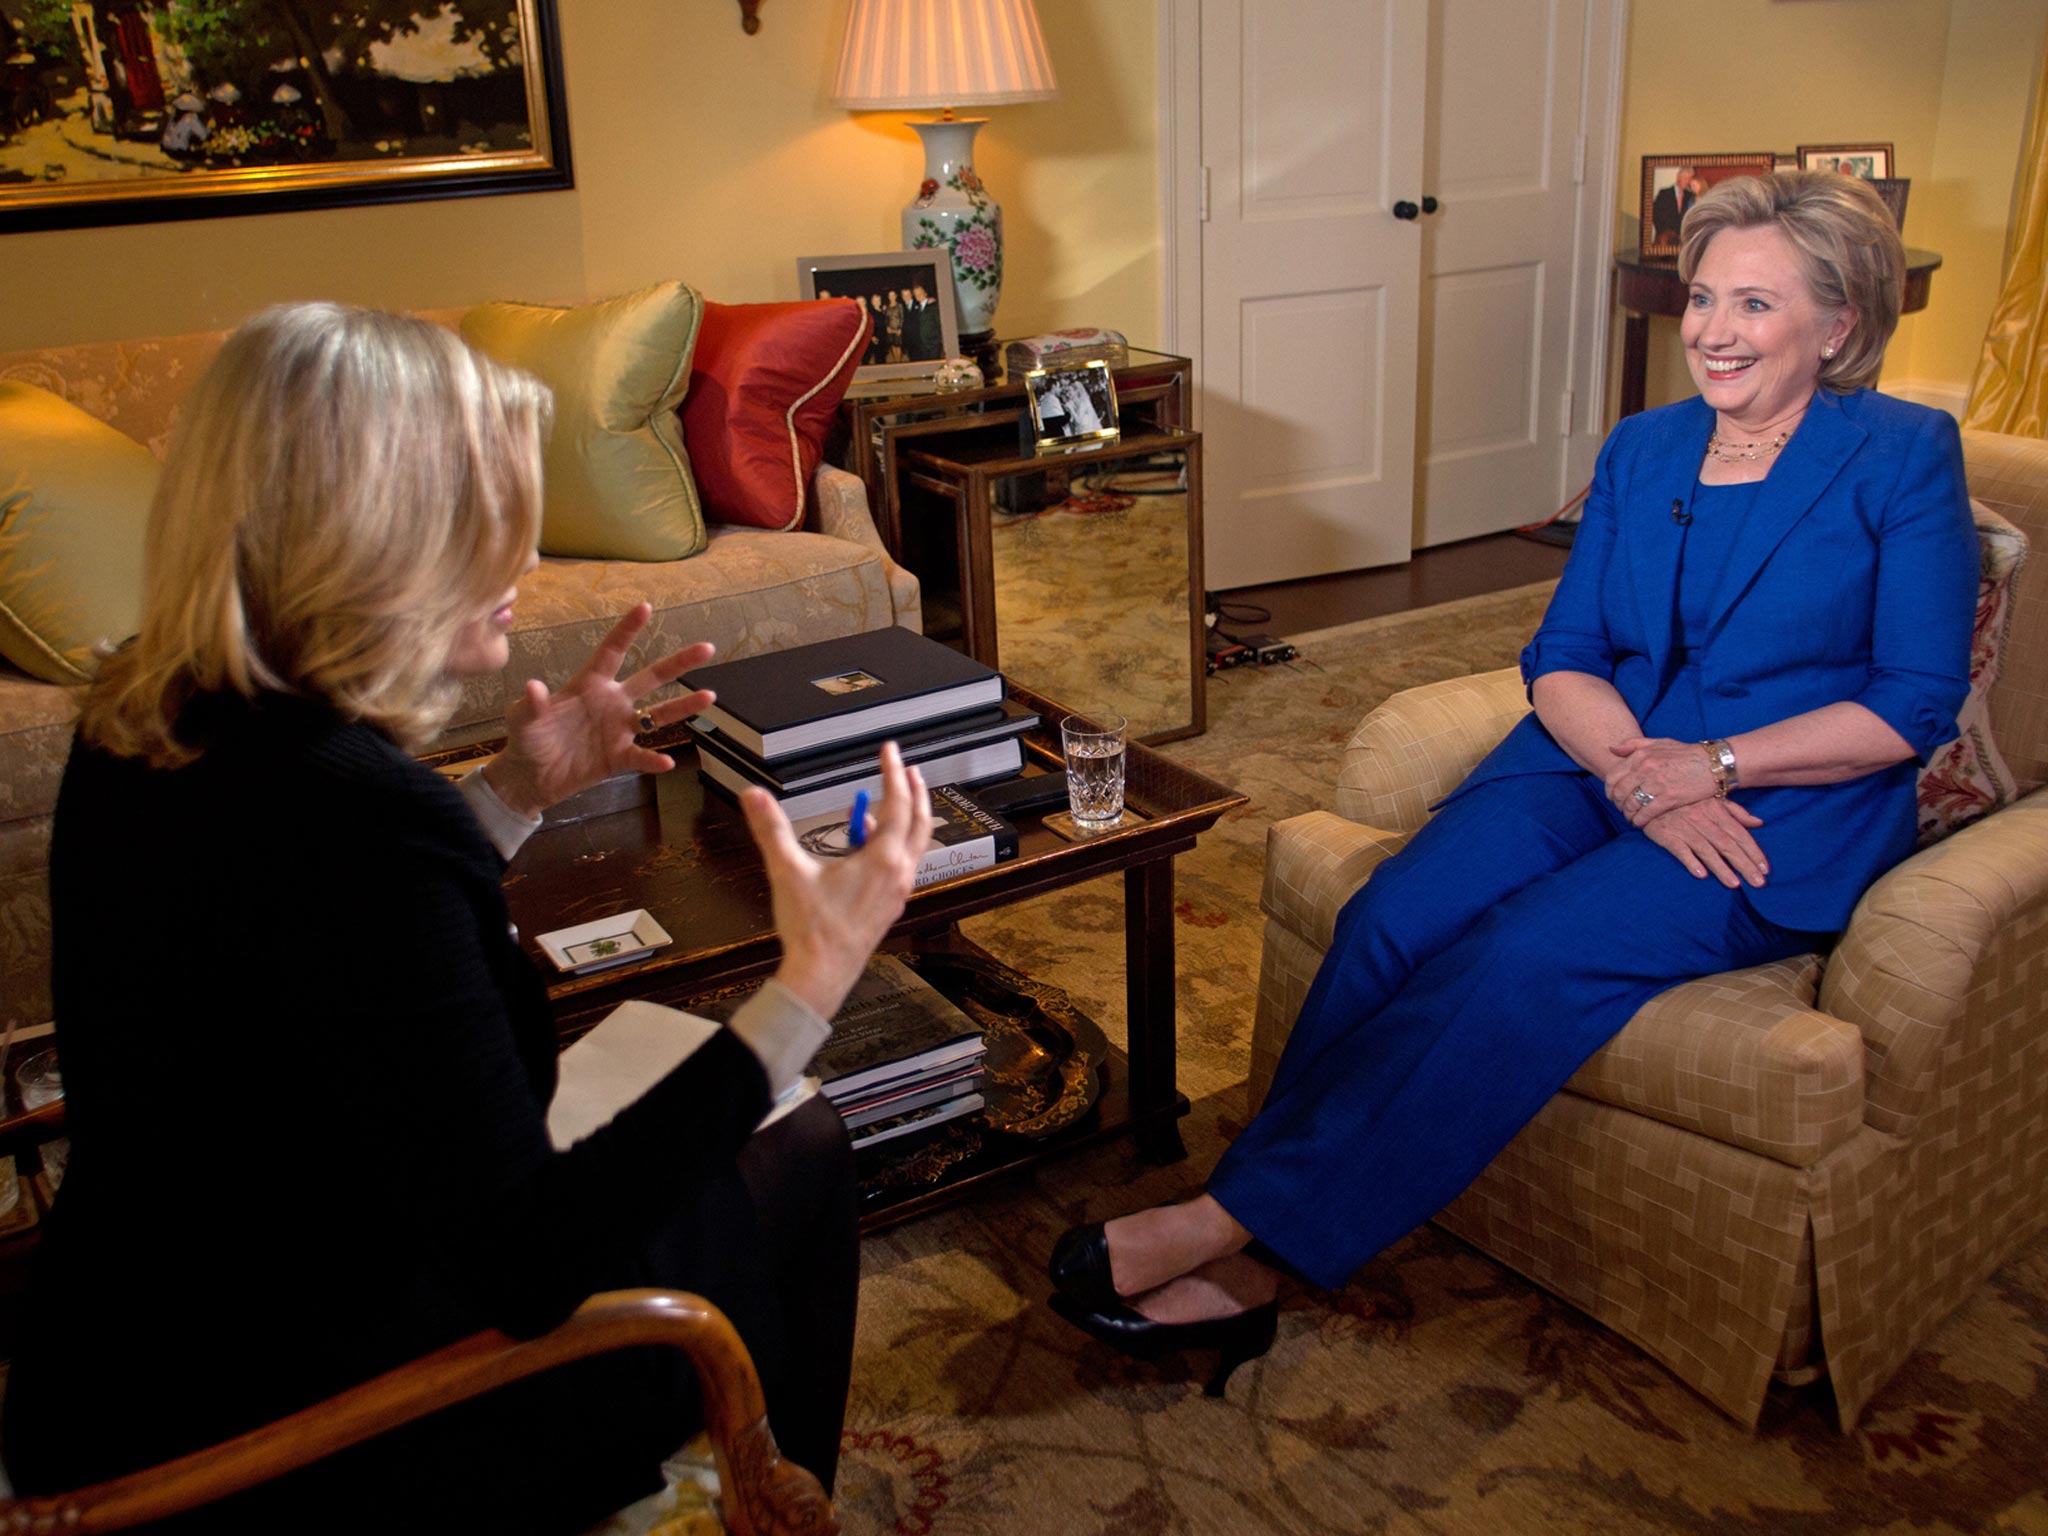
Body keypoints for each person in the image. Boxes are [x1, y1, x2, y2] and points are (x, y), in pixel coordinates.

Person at [0, 303, 936, 1532]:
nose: (526, 556)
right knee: (800, 1155)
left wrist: (512, 791)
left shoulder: (142, 715)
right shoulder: (368, 822)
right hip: (303, 1432)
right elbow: (532, 1264)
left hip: (137, 1343)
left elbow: (320, 984)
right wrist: (813, 978)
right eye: (498, 518)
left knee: (757, 1141)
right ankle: (768, 1502)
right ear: (389, 545)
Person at [1047, 170, 1977, 1394]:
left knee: (1521, 956)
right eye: (1700, 299)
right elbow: (1565, 654)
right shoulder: (1645, 448)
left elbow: (1912, 698)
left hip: (1771, 804)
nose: (1708, 331)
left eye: (1753, 305)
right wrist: (1636, 771)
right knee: (1392, 916)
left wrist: (1707, 765)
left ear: (1837, 324)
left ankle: (1233, 1233)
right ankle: (1265, 1230)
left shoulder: (1901, 453)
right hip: (1596, 756)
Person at [1651, 165, 1707, 243]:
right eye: (1685, 178)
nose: (1687, 182)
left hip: (1683, 237)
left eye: (1689, 179)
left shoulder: (1690, 195)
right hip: (1665, 236)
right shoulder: (1664, 193)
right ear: (1678, 177)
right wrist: (1665, 232)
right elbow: (1655, 213)